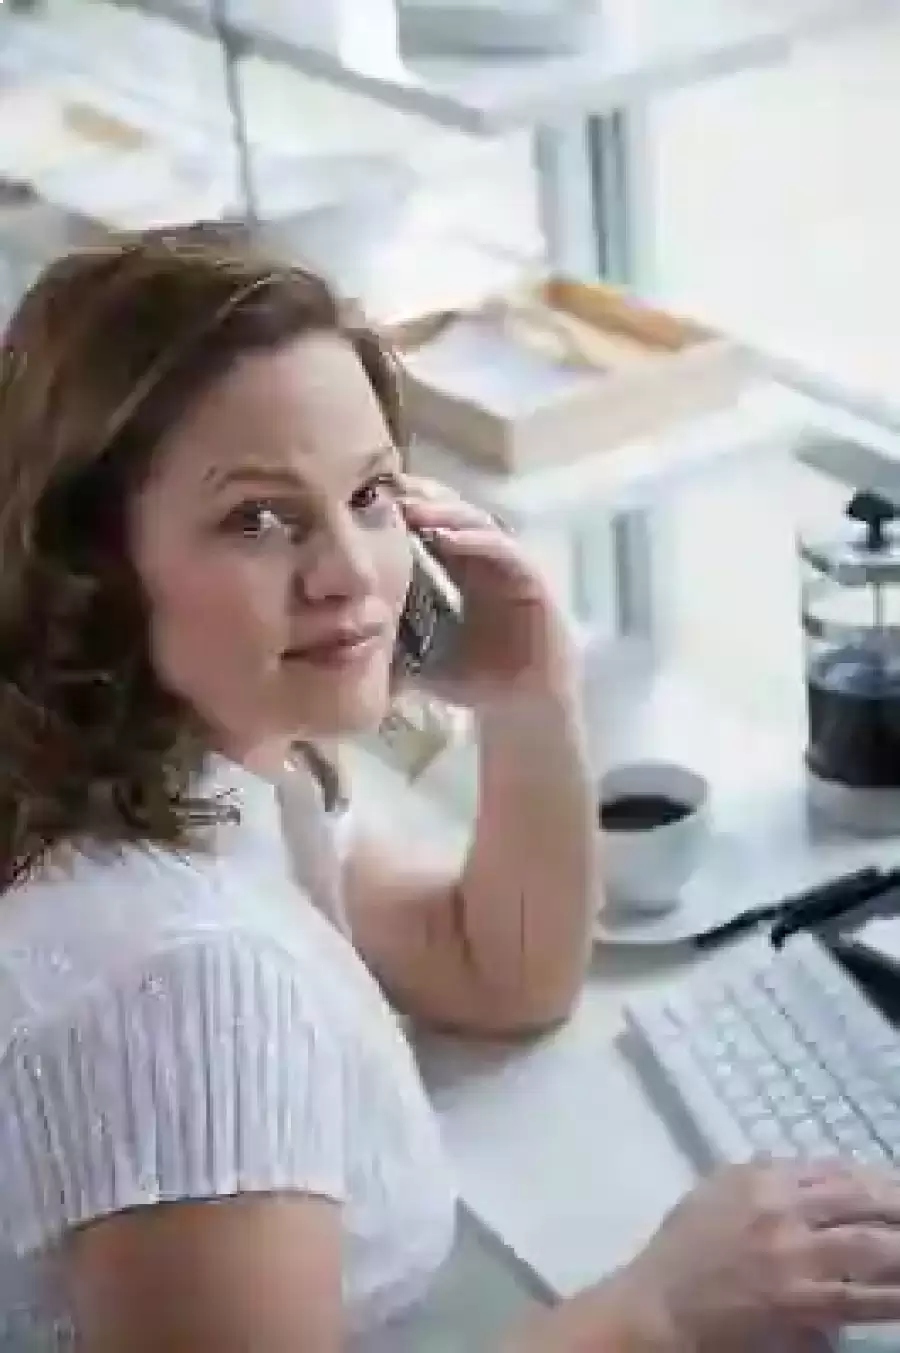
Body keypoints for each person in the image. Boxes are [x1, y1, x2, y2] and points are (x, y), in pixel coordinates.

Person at [1, 226, 900, 1352]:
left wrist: (529, 696)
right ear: (91, 571)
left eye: (370, 493)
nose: (350, 572)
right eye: (258, 518)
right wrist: (653, 1308)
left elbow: (499, 973)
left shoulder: (202, 777)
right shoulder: (186, 984)